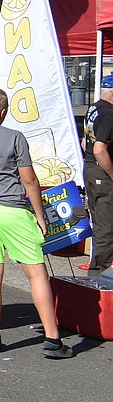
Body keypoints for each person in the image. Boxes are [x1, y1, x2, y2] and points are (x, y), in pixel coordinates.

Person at [0, 88, 74, 359]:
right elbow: (29, 180)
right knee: (36, 273)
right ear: (4, 112)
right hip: (12, 209)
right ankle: (53, 339)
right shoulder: (15, 138)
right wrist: (40, 215)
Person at [84, 85, 113, 275]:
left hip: (90, 168)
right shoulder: (110, 114)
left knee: (99, 222)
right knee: (106, 226)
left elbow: (85, 140)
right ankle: (98, 274)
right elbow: (99, 149)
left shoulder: (94, 108)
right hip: (101, 171)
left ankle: (98, 268)